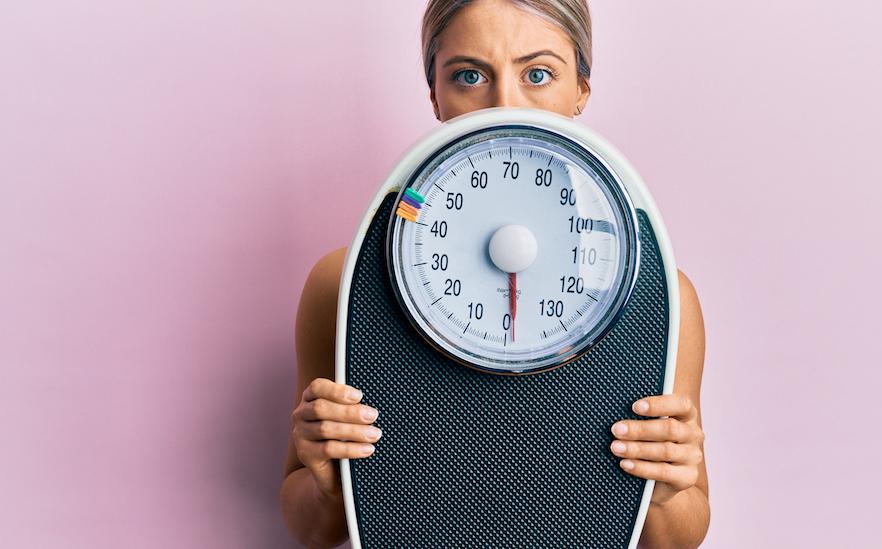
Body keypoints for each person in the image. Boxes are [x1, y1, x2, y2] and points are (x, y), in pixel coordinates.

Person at [279, 1, 709, 547]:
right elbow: (312, 530)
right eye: (469, 75)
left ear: (581, 89)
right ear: (436, 94)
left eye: (538, 74)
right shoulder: (344, 281)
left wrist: (667, 488)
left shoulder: (663, 294)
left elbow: (680, 538)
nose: (505, 105)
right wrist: (324, 478)